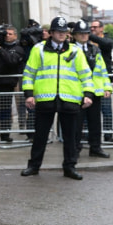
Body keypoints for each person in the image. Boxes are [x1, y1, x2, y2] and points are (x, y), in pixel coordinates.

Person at [21, 16, 94, 180]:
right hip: (45, 99)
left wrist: (88, 94)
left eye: (64, 32)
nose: (61, 34)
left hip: (69, 99)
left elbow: (86, 75)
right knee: (40, 135)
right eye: (58, 31)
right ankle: (33, 166)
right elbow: (29, 73)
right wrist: (29, 94)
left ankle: (70, 167)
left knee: (70, 137)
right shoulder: (38, 49)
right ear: (51, 32)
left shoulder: (75, 50)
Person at [71, 20, 111, 159]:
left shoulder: (95, 49)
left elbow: (102, 70)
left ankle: (95, 147)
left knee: (95, 123)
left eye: (86, 33)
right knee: (77, 123)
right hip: (78, 92)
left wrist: (107, 87)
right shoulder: (70, 49)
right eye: (80, 33)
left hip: (95, 91)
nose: (83, 36)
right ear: (74, 35)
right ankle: (75, 149)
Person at [89, 19, 113, 142]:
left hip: (103, 81)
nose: (92, 29)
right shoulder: (87, 42)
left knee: (106, 110)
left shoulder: (107, 40)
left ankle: (108, 135)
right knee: (89, 110)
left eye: (95, 27)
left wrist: (89, 36)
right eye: (91, 27)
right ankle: (88, 135)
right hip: (89, 81)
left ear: (101, 29)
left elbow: (106, 44)